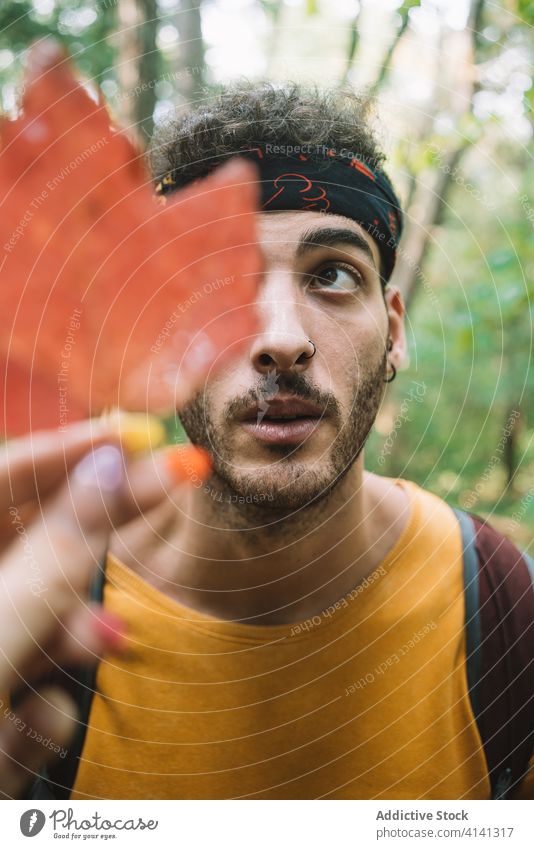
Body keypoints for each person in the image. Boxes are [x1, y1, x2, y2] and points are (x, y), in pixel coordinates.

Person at [1, 83, 532, 801]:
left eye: (334, 275)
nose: (281, 339)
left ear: (395, 330)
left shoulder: (506, 614)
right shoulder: (40, 622)